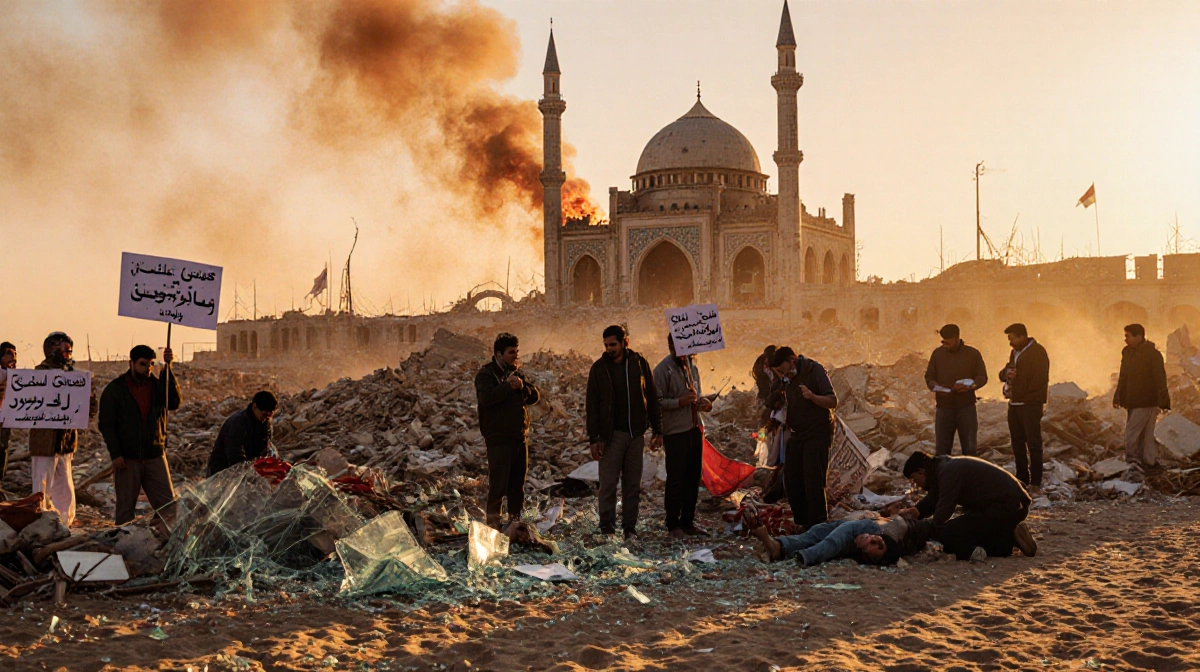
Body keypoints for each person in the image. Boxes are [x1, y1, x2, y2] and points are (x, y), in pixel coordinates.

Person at [586, 325, 662, 540]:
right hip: (611, 436)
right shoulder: (599, 369)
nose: (609, 349)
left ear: (625, 342)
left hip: (636, 435)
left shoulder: (639, 364)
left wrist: (658, 430)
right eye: (606, 345)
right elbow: (592, 406)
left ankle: (629, 529)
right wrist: (594, 438)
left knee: (632, 486)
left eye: (613, 344)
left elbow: (651, 396)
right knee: (608, 484)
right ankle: (607, 529)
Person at [98, 345, 182, 525]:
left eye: (151, 364)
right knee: (125, 511)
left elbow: (174, 402)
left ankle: (160, 536)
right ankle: (123, 539)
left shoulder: (157, 386)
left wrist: (168, 368)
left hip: (154, 456)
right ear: (132, 363)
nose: (148, 369)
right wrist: (116, 454)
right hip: (128, 459)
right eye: (143, 364)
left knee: (168, 507)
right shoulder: (116, 390)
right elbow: (107, 425)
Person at [900, 451, 1037, 561]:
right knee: (962, 526)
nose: (916, 485)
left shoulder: (948, 472)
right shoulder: (943, 467)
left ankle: (1008, 541)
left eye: (915, 480)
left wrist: (929, 530)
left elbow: (944, 508)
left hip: (1008, 507)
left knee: (949, 534)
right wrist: (918, 511)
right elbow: (935, 497)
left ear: (921, 471)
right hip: (1006, 506)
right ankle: (1010, 534)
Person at [29, 332, 97, 526]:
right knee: (42, 483)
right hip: (44, 440)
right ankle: (40, 521)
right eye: (64, 349)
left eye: (69, 350)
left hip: (65, 439)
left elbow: (89, 410)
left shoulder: (74, 377)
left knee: (64, 485)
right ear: (51, 349)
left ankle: (64, 522)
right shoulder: (38, 375)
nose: (68, 353)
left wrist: (89, 398)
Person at [474, 332, 541, 530]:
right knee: (498, 487)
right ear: (499, 354)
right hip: (499, 440)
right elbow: (486, 398)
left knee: (517, 487)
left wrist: (521, 387)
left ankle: (515, 526)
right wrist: (507, 387)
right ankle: (493, 528)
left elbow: (534, 396)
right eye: (511, 352)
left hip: (519, 438)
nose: (515, 356)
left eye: (516, 352)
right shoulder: (486, 375)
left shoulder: (517, 374)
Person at [771, 346, 838, 528]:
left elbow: (832, 401)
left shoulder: (814, 370)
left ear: (792, 360)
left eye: (782, 368)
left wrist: (812, 396)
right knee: (792, 480)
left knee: (813, 481)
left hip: (817, 433)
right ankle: (803, 524)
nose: (782, 373)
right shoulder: (787, 380)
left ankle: (818, 526)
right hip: (797, 435)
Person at [654, 333, 712, 538]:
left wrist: (704, 403)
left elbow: (696, 396)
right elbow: (656, 402)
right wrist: (679, 402)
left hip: (694, 428)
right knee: (676, 478)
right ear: (671, 346)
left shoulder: (691, 367)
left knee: (693, 477)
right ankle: (673, 524)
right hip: (675, 432)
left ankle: (688, 522)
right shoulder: (662, 370)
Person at [746, 506, 934, 567]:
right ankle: (780, 547)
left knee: (831, 538)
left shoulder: (902, 540)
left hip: (872, 526)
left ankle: (790, 552)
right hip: (874, 526)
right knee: (820, 533)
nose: (870, 541)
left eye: (872, 545)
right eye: (875, 541)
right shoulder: (911, 529)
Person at [998, 323, 1050, 491]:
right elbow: (1005, 373)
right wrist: (1006, 375)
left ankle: (1035, 482)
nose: (1010, 343)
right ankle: (1022, 480)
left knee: (1033, 444)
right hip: (1014, 405)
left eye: (1012, 339)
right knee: (1017, 444)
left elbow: (1040, 380)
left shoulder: (1038, 352)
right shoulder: (1015, 352)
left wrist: (1019, 390)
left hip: (1030, 405)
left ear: (1022, 337)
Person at [925, 324, 988, 457]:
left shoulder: (972, 354)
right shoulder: (937, 354)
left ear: (956, 338)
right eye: (943, 342)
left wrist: (970, 386)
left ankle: (969, 470)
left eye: (947, 342)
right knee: (942, 451)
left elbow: (982, 377)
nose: (945, 345)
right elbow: (929, 376)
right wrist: (934, 386)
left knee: (969, 450)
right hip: (944, 408)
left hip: (966, 408)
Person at [1113, 323, 1169, 468]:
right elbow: (1123, 376)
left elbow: (1160, 378)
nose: (1125, 339)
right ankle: (1148, 461)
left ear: (1138, 336)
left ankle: (1133, 460)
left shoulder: (1153, 354)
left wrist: (1164, 401)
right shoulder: (1127, 352)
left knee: (1134, 432)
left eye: (1128, 336)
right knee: (1145, 433)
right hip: (1132, 400)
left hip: (1147, 400)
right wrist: (1118, 395)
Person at [206, 391, 277, 476]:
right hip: (222, 471)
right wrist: (249, 473)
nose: (266, 418)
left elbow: (265, 449)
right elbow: (234, 455)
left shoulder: (265, 423)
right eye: (264, 415)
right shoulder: (238, 423)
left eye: (269, 416)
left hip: (245, 468)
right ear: (254, 407)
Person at [0, 342, 16, 485]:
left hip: (5, 419)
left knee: (3, 448)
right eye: (9, 353)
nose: (13, 357)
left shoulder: (15, 374)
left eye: (15, 354)